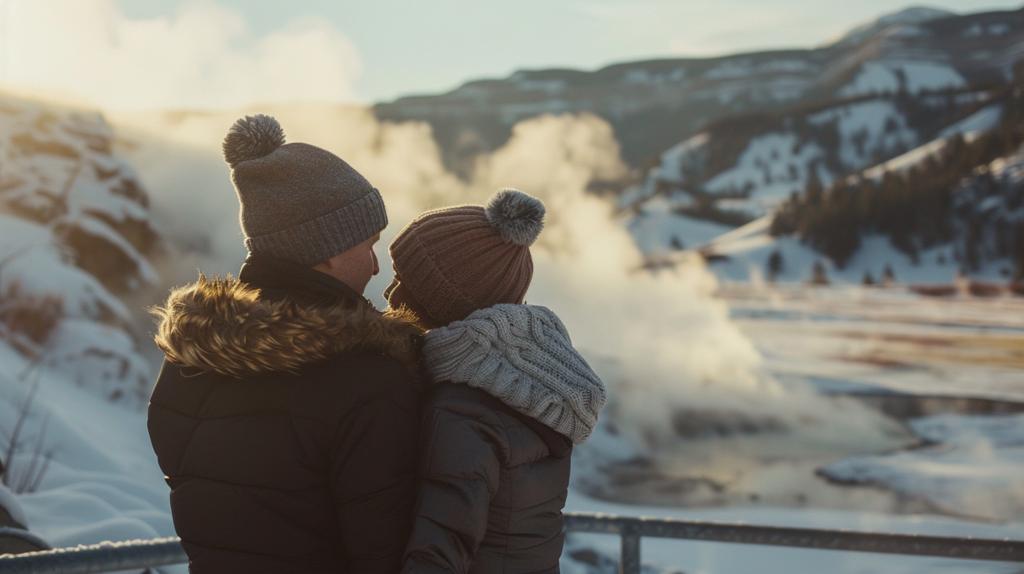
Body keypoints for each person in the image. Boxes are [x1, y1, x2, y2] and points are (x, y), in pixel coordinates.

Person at [147, 114, 422, 574]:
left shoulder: (191, 359)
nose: (376, 267)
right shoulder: (367, 376)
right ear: (329, 248)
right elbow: (384, 550)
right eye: (368, 244)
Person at [386, 189, 607, 573]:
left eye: (403, 280)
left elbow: (440, 549)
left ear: (441, 302)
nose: (389, 293)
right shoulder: (524, 389)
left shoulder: (463, 410)